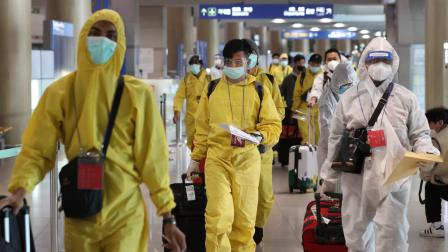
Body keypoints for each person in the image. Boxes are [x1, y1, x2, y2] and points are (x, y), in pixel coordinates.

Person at [0, 9, 186, 252]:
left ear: (119, 45)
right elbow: (37, 149)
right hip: (80, 211)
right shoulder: (60, 93)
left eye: (111, 36)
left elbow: (153, 158)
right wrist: (19, 190)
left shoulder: (137, 95)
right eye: (95, 33)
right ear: (83, 38)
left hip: (125, 212)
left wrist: (167, 215)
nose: (102, 41)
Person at [320, 37, 439, 251]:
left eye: (385, 60)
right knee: (356, 231)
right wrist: (328, 176)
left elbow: (420, 133)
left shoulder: (406, 98)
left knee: (392, 233)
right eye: (374, 60)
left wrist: (426, 151)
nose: (379, 66)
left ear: (394, 63)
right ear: (365, 62)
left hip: (394, 174)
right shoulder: (349, 98)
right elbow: (336, 138)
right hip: (356, 173)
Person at [186, 39, 281, 252]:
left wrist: (261, 135)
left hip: (247, 159)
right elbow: (201, 129)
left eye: (238, 62)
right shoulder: (212, 89)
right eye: (229, 61)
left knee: (244, 222)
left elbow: (273, 125)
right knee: (218, 216)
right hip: (217, 159)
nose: (233, 66)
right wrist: (195, 158)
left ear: (248, 62)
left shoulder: (259, 90)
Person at [243, 39, 285, 245]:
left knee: (265, 193)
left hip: (262, 147)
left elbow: (279, 110)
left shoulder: (268, 80)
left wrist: (265, 132)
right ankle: (242, 230)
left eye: (249, 55)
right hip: (237, 148)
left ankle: (258, 225)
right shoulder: (226, 82)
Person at [316, 62, 357, 170]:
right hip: (330, 151)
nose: (348, 88)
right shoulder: (327, 101)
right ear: (336, 81)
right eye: (345, 85)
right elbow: (327, 130)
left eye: (350, 85)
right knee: (330, 183)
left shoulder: (346, 96)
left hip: (346, 149)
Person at [420, 107, 448, 238]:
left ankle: (436, 226)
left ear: (440, 123)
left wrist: (425, 175)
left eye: (430, 122)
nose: (428, 125)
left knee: (431, 186)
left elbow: (434, 165)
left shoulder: (437, 139)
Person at [173, 55, 211, 150]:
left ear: (200, 65)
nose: (194, 67)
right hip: (191, 117)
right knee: (192, 143)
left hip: (205, 117)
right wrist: (176, 110)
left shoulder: (208, 78)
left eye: (196, 64)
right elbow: (179, 96)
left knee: (205, 143)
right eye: (192, 65)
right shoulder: (187, 79)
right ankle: (195, 162)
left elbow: (215, 95)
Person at [291, 53, 323, 144]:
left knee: (318, 139)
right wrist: (294, 110)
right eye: (313, 64)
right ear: (309, 63)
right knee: (307, 138)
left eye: (317, 65)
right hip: (303, 110)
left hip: (319, 111)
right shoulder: (302, 76)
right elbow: (297, 94)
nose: (315, 66)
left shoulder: (324, 76)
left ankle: (317, 158)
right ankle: (307, 157)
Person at [280, 54, 306, 120]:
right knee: (291, 128)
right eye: (299, 63)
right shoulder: (288, 78)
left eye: (303, 63)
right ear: (295, 64)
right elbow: (281, 92)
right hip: (290, 109)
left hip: (303, 109)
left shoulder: (307, 78)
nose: (301, 65)